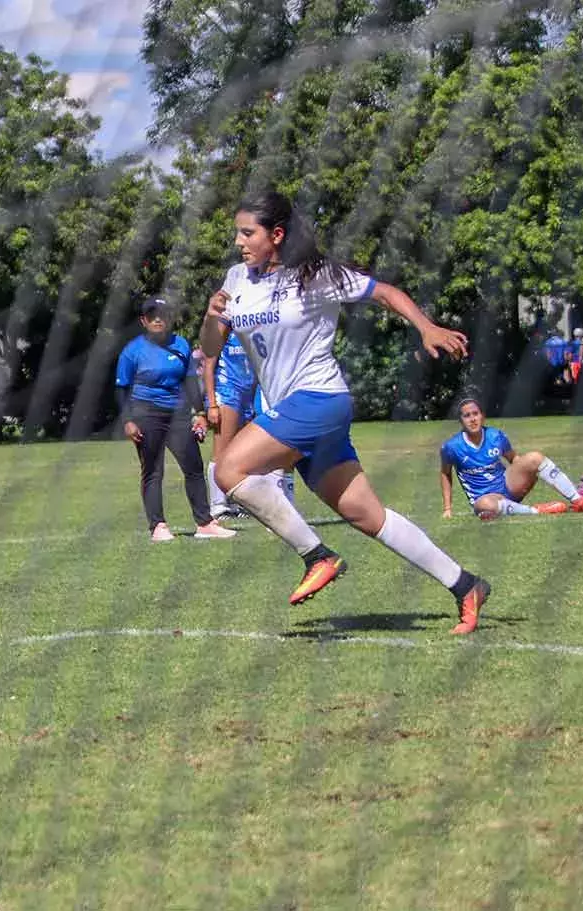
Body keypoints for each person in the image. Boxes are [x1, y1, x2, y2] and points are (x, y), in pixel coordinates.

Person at [199, 190, 490, 635]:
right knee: (369, 516)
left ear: (276, 235)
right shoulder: (236, 278)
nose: (239, 241)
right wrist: (210, 314)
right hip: (297, 411)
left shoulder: (315, 275)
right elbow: (210, 347)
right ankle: (466, 584)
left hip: (318, 399)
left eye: (247, 232)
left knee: (230, 468)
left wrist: (427, 327)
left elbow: (386, 293)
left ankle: (318, 556)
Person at [116, 297, 237, 542]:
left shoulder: (181, 345)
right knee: (153, 471)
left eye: (162, 314)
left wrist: (200, 413)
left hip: (178, 415)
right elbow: (122, 388)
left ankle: (204, 523)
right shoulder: (133, 351)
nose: (158, 319)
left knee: (193, 467)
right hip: (146, 415)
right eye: (152, 316)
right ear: (144, 321)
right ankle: (158, 526)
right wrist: (128, 421)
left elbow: (190, 382)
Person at [439, 398, 583, 519]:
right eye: (467, 415)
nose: (472, 419)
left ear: (482, 416)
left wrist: (530, 474)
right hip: (485, 499)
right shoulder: (452, 447)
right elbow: (445, 474)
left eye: (475, 414)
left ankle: (579, 500)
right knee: (484, 506)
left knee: (534, 457)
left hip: (507, 486)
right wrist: (447, 508)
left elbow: (515, 460)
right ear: (461, 421)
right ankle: (536, 511)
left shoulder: (496, 436)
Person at [201, 332, 294, 519]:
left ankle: (239, 501)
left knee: (247, 453)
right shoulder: (223, 328)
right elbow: (208, 367)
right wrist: (211, 404)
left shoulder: (256, 325)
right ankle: (218, 505)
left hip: (252, 390)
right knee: (222, 448)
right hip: (228, 389)